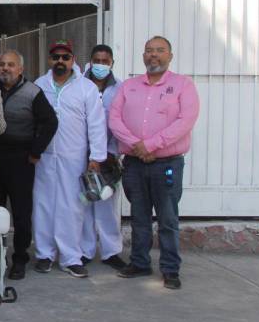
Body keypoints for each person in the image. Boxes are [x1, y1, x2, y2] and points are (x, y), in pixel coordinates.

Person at [110, 36, 200, 290]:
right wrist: (136, 145)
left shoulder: (183, 85)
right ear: (143, 56)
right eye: (149, 51)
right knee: (139, 216)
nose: (154, 55)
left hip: (167, 163)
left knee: (168, 218)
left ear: (170, 56)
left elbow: (185, 121)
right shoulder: (129, 86)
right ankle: (139, 263)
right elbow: (114, 118)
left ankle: (170, 269)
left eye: (160, 51)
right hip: (135, 163)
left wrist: (150, 145)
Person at [32, 39, 107, 278]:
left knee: (71, 208)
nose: (60, 61)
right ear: (50, 60)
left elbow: (96, 124)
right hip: (43, 157)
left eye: (65, 57)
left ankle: (70, 257)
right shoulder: (39, 85)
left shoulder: (86, 88)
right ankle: (44, 254)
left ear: (73, 60)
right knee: (43, 205)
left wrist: (96, 156)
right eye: (56, 57)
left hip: (73, 157)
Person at [0, 49, 58, 280]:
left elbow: (50, 122)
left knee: (21, 213)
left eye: (10, 65)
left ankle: (20, 259)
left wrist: (36, 151)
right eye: (2, 64)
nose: (5, 69)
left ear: (20, 69)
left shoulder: (33, 92)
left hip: (20, 160)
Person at [81, 45, 127, 270]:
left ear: (112, 63)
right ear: (89, 61)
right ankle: (85, 250)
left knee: (108, 205)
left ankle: (111, 251)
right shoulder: (79, 85)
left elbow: (121, 122)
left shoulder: (120, 89)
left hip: (109, 157)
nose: (100, 64)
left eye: (105, 61)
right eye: (96, 60)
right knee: (84, 204)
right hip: (80, 154)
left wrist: (110, 152)